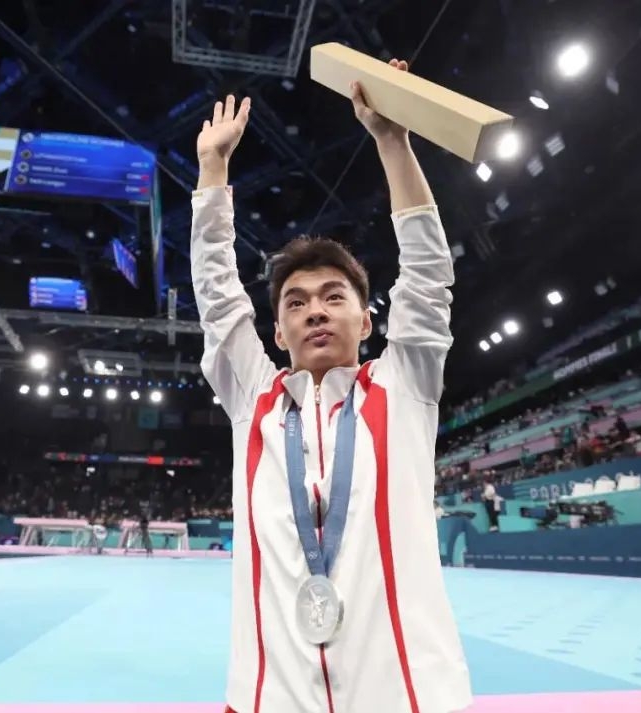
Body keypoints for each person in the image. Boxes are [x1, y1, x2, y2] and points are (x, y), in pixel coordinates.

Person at [192, 60, 471, 713]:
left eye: (333, 296)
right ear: (279, 332)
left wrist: (392, 141)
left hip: (404, 695)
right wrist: (212, 170)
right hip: (271, 696)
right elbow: (218, 299)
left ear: (366, 320)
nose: (314, 310)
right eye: (296, 303)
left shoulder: (404, 386)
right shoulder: (254, 400)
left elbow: (428, 274)